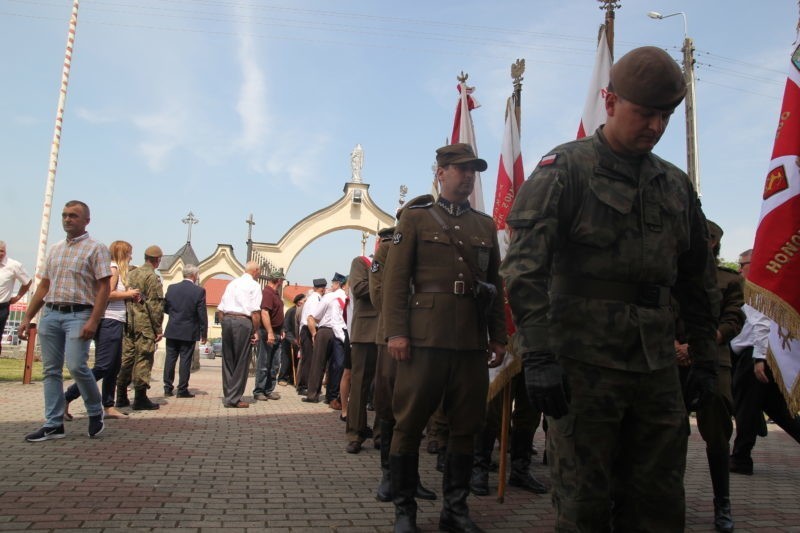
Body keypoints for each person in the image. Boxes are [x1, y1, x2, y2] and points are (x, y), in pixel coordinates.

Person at [501, 46, 719, 531]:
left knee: (660, 502)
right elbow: (523, 268)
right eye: (645, 114)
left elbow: (697, 278)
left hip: (657, 367)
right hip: (582, 366)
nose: (656, 127)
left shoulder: (675, 185)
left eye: (665, 116)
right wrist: (538, 355)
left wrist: (705, 357)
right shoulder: (565, 169)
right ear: (610, 100)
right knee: (585, 504)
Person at [382, 143, 507, 533]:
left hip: (470, 340)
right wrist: (397, 332)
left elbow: (494, 284)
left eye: (473, 170)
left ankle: (455, 510)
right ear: (440, 172)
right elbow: (395, 281)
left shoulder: (484, 226)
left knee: (467, 425)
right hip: (423, 338)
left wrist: (498, 336)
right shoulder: (416, 220)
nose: (468, 176)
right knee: (410, 423)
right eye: (459, 169)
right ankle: (405, 511)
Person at [19, 200, 112, 441]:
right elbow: (44, 285)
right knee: (50, 370)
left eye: (73, 216)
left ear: (86, 221)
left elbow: (104, 288)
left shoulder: (96, 248)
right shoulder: (55, 249)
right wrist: (28, 316)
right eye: (64, 215)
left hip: (79, 313)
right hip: (51, 313)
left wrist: (94, 320)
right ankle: (53, 423)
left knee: (76, 366)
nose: (67, 219)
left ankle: (94, 411)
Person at [675, 221, 744, 533]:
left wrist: (700, 345)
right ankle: (668, 501)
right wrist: (674, 345)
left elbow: (734, 319)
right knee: (667, 434)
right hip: (670, 360)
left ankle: (722, 502)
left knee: (717, 434)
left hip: (713, 360)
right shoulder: (670, 275)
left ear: (714, 243)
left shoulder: (728, 280)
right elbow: (657, 312)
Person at [370, 225, 437, 504]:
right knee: (389, 404)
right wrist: (400, 325)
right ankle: (389, 474)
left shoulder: (426, 248)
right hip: (392, 336)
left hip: (423, 338)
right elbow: (377, 294)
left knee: (416, 406)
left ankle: (411, 477)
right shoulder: (386, 250)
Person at [730, 248, 800, 475]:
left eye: (744, 263)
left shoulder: (760, 289)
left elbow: (762, 325)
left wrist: (759, 357)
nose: (740, 269)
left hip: (756, 355)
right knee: (779, 411)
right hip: (764, 355)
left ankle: (741, 458)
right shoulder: (770, 288)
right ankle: (741, 456)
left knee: (747, 408)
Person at [64, 240, 139, 421]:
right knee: (103, 366)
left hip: (116, 321)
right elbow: (106, 294)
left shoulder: (118, 271)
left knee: (113, 367)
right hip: (108, 321)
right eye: (129, 253)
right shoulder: (113, 269)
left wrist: (129, 297)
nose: (131, 257)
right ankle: (67, 396)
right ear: (122, 254)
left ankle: (108, 405)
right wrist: (128, 294)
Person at [116, 245, 165, 411]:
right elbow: (155, 305)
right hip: (144, 325)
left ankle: (121, 396)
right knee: (143, 359)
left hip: (128, 321)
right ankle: (140, 397)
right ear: (157, 260)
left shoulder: (131, 273)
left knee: (127, 359)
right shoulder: (152, 277)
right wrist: (158, 328)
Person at [345, 253, 379, 453]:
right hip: (365, 332)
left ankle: (381, 434)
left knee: (385, 388)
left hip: (389, 332)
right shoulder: (361, 263)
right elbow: (359, 288)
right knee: (359, 386)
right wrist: (389, 283)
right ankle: (355, 434)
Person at [217, 261, 261, 408]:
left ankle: (229, 394)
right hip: (243, 321)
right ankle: (234, 398)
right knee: (242, 361)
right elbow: (255, 312)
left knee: (228, 360)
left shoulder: (232, 283)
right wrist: (255, 331)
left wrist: (225, 324)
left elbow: (220, 309)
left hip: (227, 319)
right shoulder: (254, 285)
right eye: (259, 271)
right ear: (255, 271)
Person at [162, 264, 207, 399]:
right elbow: (202, 313)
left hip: (173, 328)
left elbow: (165, 307)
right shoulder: (198, 291)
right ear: (194, 275)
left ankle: (167, 388)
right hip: (189, 330)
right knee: (185, 360)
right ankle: (182, 389)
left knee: (170, 359)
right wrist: (203, 332)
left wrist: (175, 314)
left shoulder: (172, 288)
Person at [303, 273, 347, 406]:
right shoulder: (346, 298)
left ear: (337, 284)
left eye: (333, 283)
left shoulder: (329, 296)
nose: (331, 286)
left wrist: (314, 333)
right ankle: (332, 397)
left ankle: (312, 395)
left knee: (318, 363)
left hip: (325, 331)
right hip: (341, 333)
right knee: (336, 366)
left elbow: (315, 315)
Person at [253, 268, 285, 402]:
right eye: (282, 279)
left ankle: (268, 390)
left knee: (274, 364)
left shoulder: (276, 294)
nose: (283, 281)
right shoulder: (267, 293)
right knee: (264, 363)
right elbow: (264, 313)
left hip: (277, 333)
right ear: (278, 280)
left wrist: (281, 329)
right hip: (268, 333)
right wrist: (270, 332)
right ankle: (259, 390)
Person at [0, 241, 32, 356]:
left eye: (2, 251)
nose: (0, 253)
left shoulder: (13, 265)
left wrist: (18, 297)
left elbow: (27, 281)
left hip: (1, 307)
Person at [296, 278, 326, 395]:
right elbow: (310, 319)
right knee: (308, 359)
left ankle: (307, 385)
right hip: (309, 330)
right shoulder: (314, 300)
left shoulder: (315, 298)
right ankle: (303, 386)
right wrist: (314, 334)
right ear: (323, 289)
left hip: (308, 329)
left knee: (310, 359)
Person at [280, 293, 305, 386]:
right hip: (289, 340)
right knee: (286, 360)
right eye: (304, 301)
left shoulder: (303, 311)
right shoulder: (291, 311)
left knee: (296, 360)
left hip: (298, 341)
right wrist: (293, 339)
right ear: (299, 302)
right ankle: (282, 378)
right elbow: (286, 328)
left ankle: (292, 378)